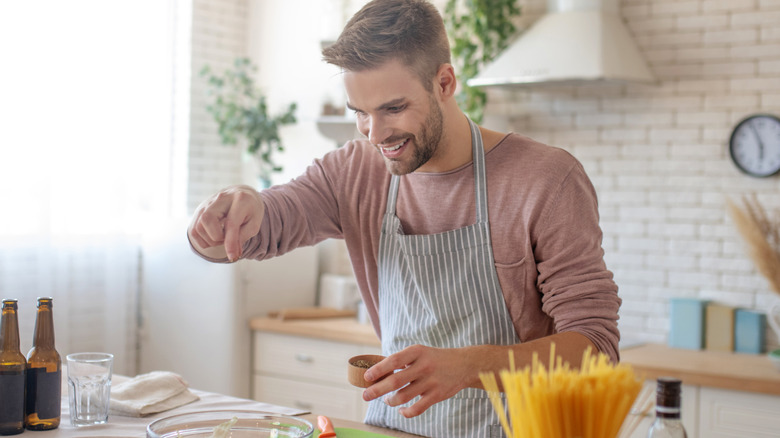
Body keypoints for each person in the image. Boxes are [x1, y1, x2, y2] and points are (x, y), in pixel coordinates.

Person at [188, 0, 621, 436]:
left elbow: (595, 347)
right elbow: (266, 223)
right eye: (360, 112)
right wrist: (227, 215)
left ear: (445, 82)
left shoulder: (545, 179)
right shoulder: (354, 171)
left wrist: (470, 366)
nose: (375, 135)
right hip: (393, 429)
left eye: (393, 108)